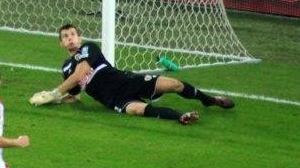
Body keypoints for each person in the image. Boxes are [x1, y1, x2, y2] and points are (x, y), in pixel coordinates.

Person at [30, 23, 235, 124]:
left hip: (127, 81)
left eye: (73, 34)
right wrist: (56, 100)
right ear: (61, 43)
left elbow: (80, 73)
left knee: (174, 85)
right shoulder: (65, 67)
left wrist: (53, 93)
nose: (70, 38)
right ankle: (181, 116)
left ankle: (209, 100)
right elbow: (75, 95)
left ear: (79, 38)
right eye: (65, 36)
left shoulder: (88, 48)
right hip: (112, 99)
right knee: (139, 110)